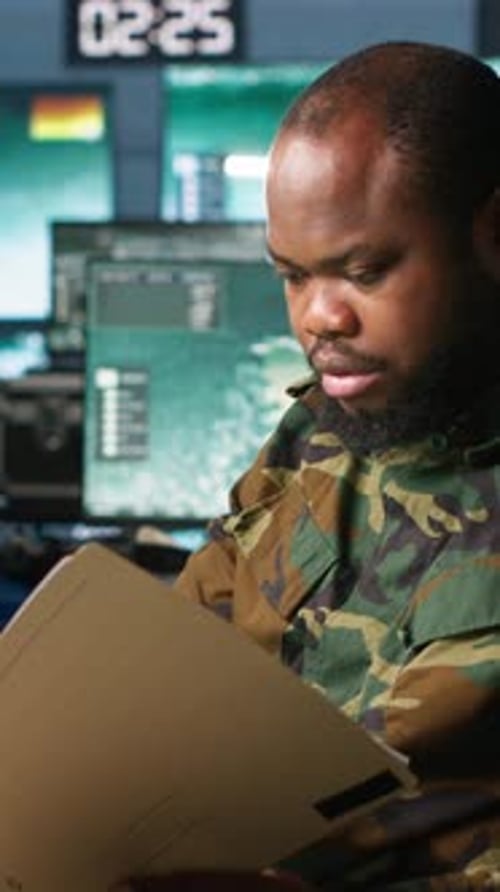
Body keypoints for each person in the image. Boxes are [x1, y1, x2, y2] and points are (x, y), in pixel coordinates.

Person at [128, 41, 500, 891]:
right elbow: (177, 666)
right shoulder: (317, 434)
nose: (319, 318)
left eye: (365, 271)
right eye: (292, 276)